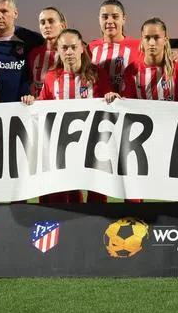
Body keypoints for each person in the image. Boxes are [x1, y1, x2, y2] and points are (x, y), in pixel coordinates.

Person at [23, 28, 113, 203]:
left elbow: (110, 101)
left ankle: (96, 226)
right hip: (61, 146)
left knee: (97, 192)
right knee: (63, 194)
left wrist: (111, 97)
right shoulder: (51, 76)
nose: (69, 52)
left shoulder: (97, 74)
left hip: (93, 144)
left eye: (73, 47)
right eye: (64, 48)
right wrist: (30, 102)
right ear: (58, 50)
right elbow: (42, 107)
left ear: (81, 48)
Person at [116, 18, 178, 104]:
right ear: (142, 40)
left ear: (165, 40)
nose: (152, 43)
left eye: (156, 38)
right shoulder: (132, 69)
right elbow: (127, 103)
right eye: (147, 38)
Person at [89, 0, 142, 94]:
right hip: (98, 105)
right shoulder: (90, 48)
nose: (109, 21)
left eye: (115, 16)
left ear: (124, 19)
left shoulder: (140, 46)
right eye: (104, 17)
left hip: (129, 105)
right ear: (99, 19)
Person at [27, 6, 67, 98]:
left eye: (51, 21)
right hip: (38, 108)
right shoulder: (34, 53)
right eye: (42, 22)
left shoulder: (71, 52)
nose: (46, 26)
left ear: (62, 26)